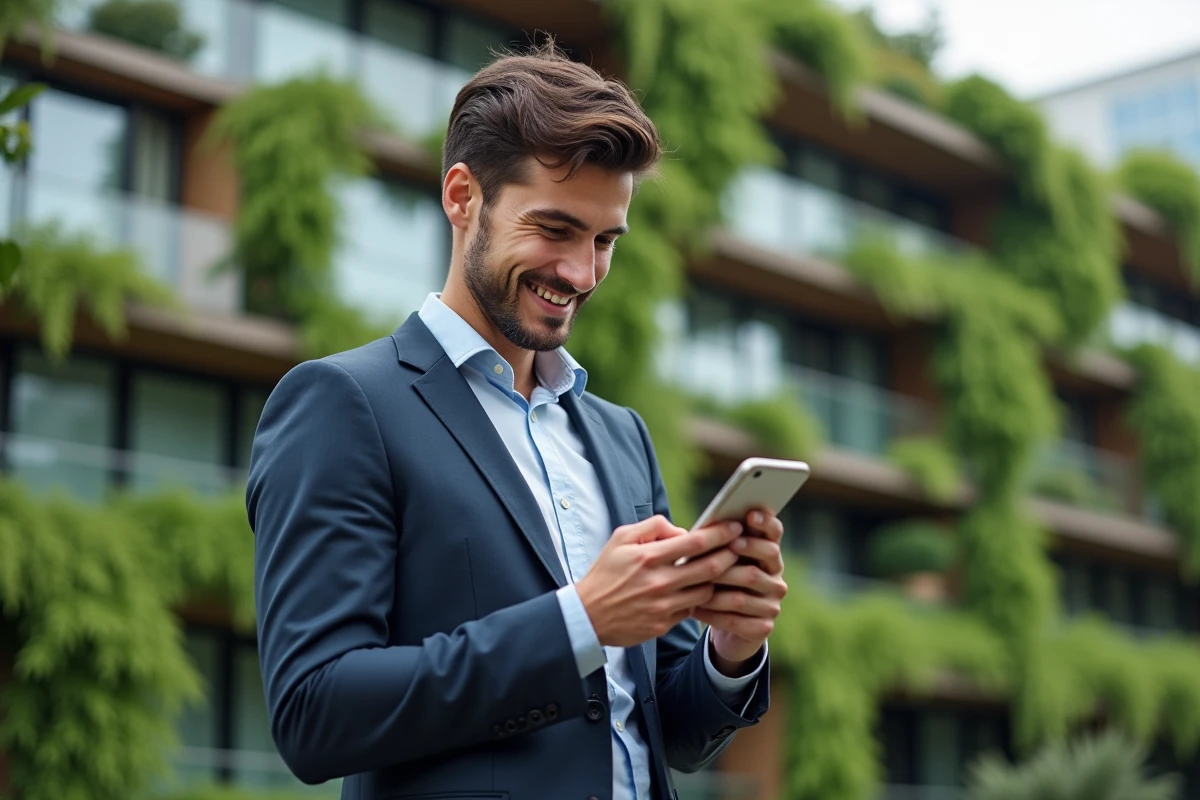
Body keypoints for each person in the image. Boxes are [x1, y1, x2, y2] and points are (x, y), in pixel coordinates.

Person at [247, 41, 788, 800]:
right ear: (463, 197)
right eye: (556, 229)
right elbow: (315, 712)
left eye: (604, 241)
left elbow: (663, 729)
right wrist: (579, 622)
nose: (581, 273)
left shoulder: (620, 436)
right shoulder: (343, 404)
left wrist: (729, 650)